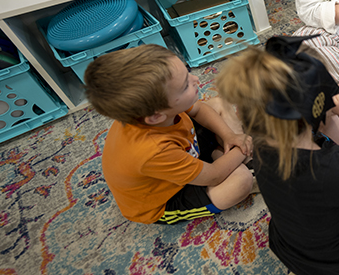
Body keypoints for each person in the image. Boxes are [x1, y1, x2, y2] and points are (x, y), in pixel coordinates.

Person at [215, 36, 339, 275]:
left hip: (289, 247)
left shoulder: (260, 147)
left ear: (243, 113)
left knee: (336, 146)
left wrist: (325, 117)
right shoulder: (332, 171)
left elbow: (324, 136)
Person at [83, 44, 254, 224]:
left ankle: (224, 153)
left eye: (187, 72)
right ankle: (235, 157)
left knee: (219, 104)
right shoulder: (152, 150)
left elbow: (198, 110)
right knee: (241, 182)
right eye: (185, 85)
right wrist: (242, 147)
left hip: (184, 149)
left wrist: (229, 136)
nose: (196, 79)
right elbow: (214, 175)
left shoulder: (155, 109)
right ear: (156, 117)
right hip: (167, 198)